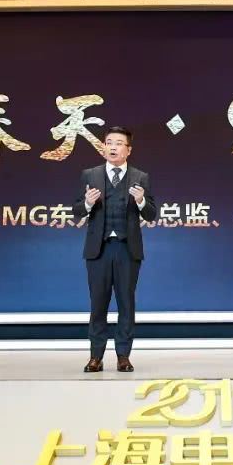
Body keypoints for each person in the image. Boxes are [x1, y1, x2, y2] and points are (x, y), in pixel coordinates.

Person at [71, 126, 157, 373]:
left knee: (126, 304)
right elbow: (76, 210)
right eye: (109, 142)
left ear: (128, 150)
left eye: (119, 143)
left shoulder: (140, 177)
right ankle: (95, 357)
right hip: (98, 250)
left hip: (127, 249)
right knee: (98, 304)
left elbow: (151, 214)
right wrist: (88, 203)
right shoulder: (90, 175)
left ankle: (123, 356)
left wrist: (141, 200)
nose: (112, 147)